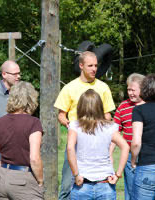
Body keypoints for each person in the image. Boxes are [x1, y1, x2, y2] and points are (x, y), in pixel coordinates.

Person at [54, 51, 116, 200]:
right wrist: (69, 125)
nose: (94, 69)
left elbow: (108, 115)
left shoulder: (103, 88)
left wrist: (99, 124)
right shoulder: (69, 88)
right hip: (76, 143)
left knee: (101, 184)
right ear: (81, 66)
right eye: (90, 66)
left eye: (96, 65)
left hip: (97, 143)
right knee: (67, 186)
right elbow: (61, 114)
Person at [67, 89, 129, 200]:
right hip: (105, 184)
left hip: (82, 182)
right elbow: (125, 146)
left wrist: (76, 174)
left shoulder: (75, 126)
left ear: (80, 106)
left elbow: (70, 148)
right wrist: (118, 174)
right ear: (100, 106)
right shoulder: (110, 127)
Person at [0, 81, 44, 200]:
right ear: (31, 100)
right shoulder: (33, 123)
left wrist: (3, 173)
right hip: (24, 181)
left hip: (3, 180)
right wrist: (40, 180)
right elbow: (34, 158)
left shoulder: (0, 122)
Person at [112, 73, 145, 200]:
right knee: (132, 191)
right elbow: (114, 133)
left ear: (142, 89)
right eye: (128, 90)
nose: (130, 93)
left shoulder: (150, 105)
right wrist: (110, 154)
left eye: (133, 90)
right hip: (130, 154)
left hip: (148, 154)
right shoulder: (123, 106)